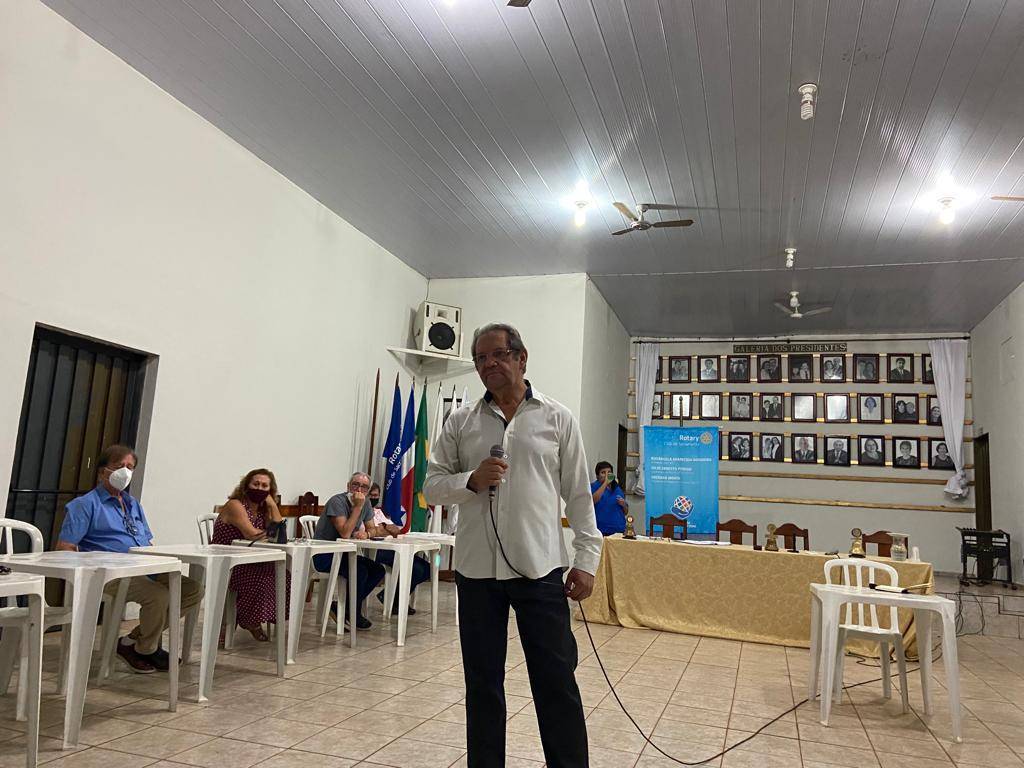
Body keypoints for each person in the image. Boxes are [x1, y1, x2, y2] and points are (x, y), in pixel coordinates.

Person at [425, 322, 602, 768]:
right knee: (483, 685)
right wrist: (471, 479)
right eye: (480, 358)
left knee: (556, 682)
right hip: (477, 573)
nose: (489, 364)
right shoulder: (460, 421)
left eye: (498, 354)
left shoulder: (557, 418)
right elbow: (431, 486)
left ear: (522, 358)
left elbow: (578, 495)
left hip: (540, 571)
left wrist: (587, 559)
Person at [58, 445, 202, 673]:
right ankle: (146, 648)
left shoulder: (133, 504)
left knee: (192, 589)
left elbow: (146, 541)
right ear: (102, 471)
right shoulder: (85, 505)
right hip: (110, 573)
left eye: (130, 467)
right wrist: (87, 571)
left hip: (143, 568)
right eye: (119, 466)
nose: (124, 472)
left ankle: (133, 642)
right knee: (159, 595)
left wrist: (158, 561)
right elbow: (65, 548)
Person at [212, 469, 291, 641]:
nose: (259, 488)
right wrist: (272, 534)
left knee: (283, 575)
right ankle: (249, 620)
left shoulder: (263, 510)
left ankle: (253, 619)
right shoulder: (235, 505)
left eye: (264, 486)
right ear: (246, 485)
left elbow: (279, 533)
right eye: (256, 484)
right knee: (261, 578)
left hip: (251, 560)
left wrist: (272, 505)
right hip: (228, 562)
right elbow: (251, 534)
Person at [314, 472, 386, 629]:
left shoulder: (367, 503)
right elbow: (345, 533)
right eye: (355, 485)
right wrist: (357, 507)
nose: (359, 490)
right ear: (348, 486)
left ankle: (345, 608)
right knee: (360, 571)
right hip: (323, 554)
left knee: (378, 570)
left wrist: (367, 534)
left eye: (364, 487)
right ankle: (352, 613)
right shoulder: (337, 501)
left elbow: (373, 529)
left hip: (344, 555)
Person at [363, 483, 430, 616]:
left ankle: (392, 597)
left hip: (392, 547)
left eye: (376, 496)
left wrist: (383, 528)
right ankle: (395, 600)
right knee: (416, 569)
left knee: (427, 568)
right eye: (371, 495)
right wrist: (384, 529)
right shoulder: (364, 511)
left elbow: (396, 530)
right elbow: (372, 532)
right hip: (374, 550)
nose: (374, 498)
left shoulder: (379, 512)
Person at [591, 461, 627, 537]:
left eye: (609, 472)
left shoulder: (617, 488)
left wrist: (624, 505)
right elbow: (593, 500)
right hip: (602, 530)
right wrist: (605, 483)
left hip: (619, 530)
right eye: (603, 472)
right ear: (597, 476)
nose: (607, 475)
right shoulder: (594, 486)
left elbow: (625, 511)